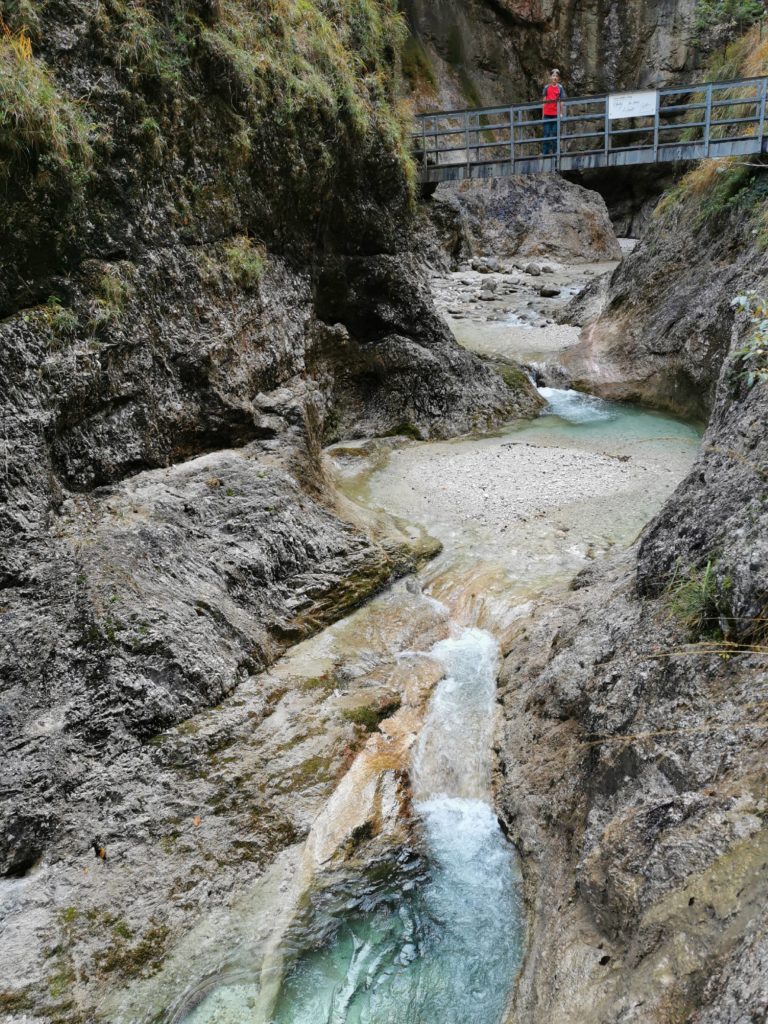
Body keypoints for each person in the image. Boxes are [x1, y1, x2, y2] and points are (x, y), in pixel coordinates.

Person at [541, 69, 566, 156]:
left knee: (555, 134)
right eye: (553, 76)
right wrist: (543, 114)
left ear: (558, 78)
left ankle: (556, 151)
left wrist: (561, 113)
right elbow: (544, 101)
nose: (554, 78)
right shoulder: (546, 87)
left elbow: (562, 102)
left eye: (556, 76)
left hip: (556, 114)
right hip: (547, 114)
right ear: (550, 77)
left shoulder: (560, 88)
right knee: (546, 134)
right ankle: (545, 152)